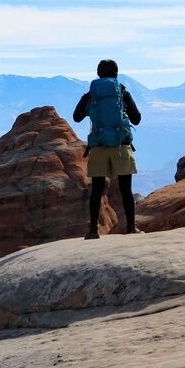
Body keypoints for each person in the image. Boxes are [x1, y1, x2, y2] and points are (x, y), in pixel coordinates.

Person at [73, 59, 142, 239]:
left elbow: (76, 117)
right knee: (126, 189)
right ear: (116, 74)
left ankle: (93, 230)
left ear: (98, 74)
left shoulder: (91, 95)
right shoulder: (122, 93)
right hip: (121, 145)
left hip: (98, 146)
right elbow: (136, 119)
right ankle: (131, 227)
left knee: (97, 190)